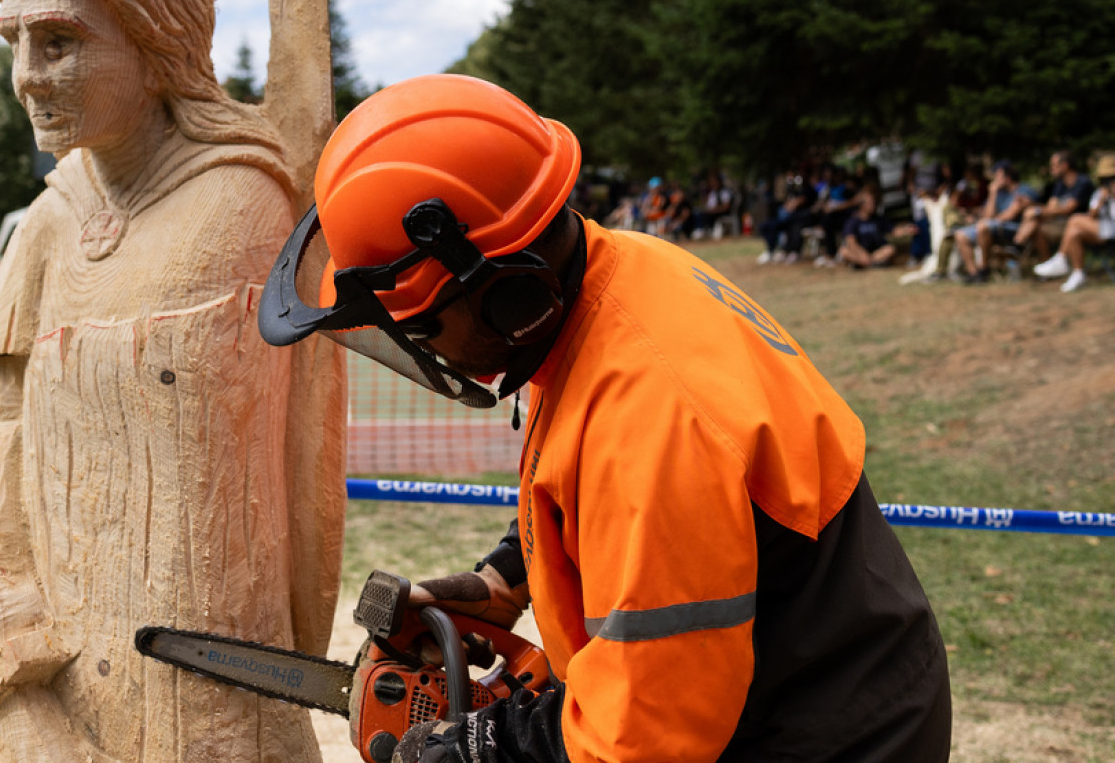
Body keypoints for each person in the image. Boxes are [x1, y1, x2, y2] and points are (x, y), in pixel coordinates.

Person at [259, 74, 951, 763]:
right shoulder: (614, 279)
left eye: (423, 327)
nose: (419, 347)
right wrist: (506, 576)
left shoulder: (652, 415)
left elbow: (647, 735)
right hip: (807, 672)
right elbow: (606, 488)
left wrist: (484, 746)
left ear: (509, 296)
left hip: (823, 729)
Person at [0, 0, 346, 761]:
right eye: (17, 43)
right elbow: (2, 433)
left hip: (212, 688)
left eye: (60, 42)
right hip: (57, 678)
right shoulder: (46, 226)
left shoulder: (246, 204)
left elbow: (305, 455)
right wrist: (9, 660)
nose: (28, 76)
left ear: (154, 40)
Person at [1034, 153, 1115, 293]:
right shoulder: (1100, 193)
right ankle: (1078, 274)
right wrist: (1103, 200)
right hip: (1104, 232)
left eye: (1111, 179)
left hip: (1111, 230)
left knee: (1075, 219)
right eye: (1106, 180)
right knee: (1075, 232)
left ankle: (1061, 259)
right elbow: (1092, 215)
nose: (1108, 183)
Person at [953, 161, 1034, 283]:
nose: (995, 179)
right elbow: (988, 215)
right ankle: (973, 273)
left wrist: (994, 218)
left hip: (1013, 229)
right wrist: (992, 193)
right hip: (991, 227)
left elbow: (1010, 215)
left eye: (998, 176)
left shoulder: (1024, 190)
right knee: (960, 235)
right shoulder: (999, 193)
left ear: (1007, 178)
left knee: (983, 226)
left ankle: (984, 270)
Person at [1014, 151, 1094, 262]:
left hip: (1079, 224)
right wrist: (1031, 205)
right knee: (1035, 223)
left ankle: (1018, 246)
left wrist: (1037, 211)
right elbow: (1050, 207)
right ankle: (1044, 262)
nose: (1051, 168)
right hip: (1059, 223)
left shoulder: (1082, 182)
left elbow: (1068, 209)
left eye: (1054, 165)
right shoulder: (1060, 184)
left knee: (1036, 225)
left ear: (1065, 165)